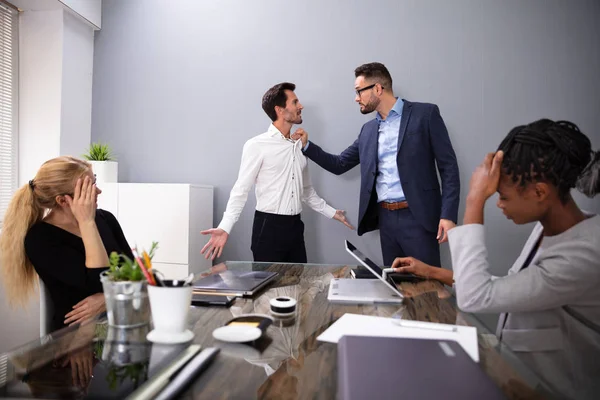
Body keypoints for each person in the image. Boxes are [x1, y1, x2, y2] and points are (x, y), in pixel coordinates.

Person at [393, 119, 600, 399]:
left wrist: (474, 199)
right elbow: (509, 288)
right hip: (522, 380)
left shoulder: (583, 256)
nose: (499, 204)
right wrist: (433, 272)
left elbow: (476, 297)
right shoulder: (548, 228)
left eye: (502, 197)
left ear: (540, 192)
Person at [293, 62, 460, 267]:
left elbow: (449, 167)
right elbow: (340, 163)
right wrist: (307, 146)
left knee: (428, 290)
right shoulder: (368, 130)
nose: (356, 98)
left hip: (419, 218)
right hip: (386, 221)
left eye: (358, 91)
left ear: (378, 89)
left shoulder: (425, 115)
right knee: (396, 288)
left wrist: (448, 215)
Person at [201, 82, 353, 263]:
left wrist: (332, 212)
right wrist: (225, 227)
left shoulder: (299, 146)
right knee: (267, 288)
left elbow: (306, 191)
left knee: (298, 287)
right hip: (268, 228)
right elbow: (241, 190)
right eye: (295, 102)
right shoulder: (256, 145)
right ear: (280, 110)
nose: (301, 106)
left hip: (296, 227)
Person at [0, 156, 133, 332]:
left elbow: (135, 274)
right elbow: (99, 284)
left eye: (95, 182)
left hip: (117, 322)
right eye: (88, 188)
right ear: (63, 201)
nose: (98, 191)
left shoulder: (106, 219)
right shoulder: (40, 239)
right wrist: (87, 223)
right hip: (72, 339)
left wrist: (109, 298)